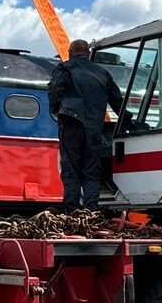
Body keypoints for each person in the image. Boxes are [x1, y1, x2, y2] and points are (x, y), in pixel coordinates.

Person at [47, 39, 125, 213]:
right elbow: (117, 101)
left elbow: (54, 90)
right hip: (94, 129)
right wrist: (128, 121)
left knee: (71, 170)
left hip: (71, 125)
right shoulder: (102, 73)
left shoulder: (64, 68)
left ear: (70, 52)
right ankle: (91, 212)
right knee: (91, 171)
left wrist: (55, 109)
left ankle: (72, 212)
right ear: (88, 53)